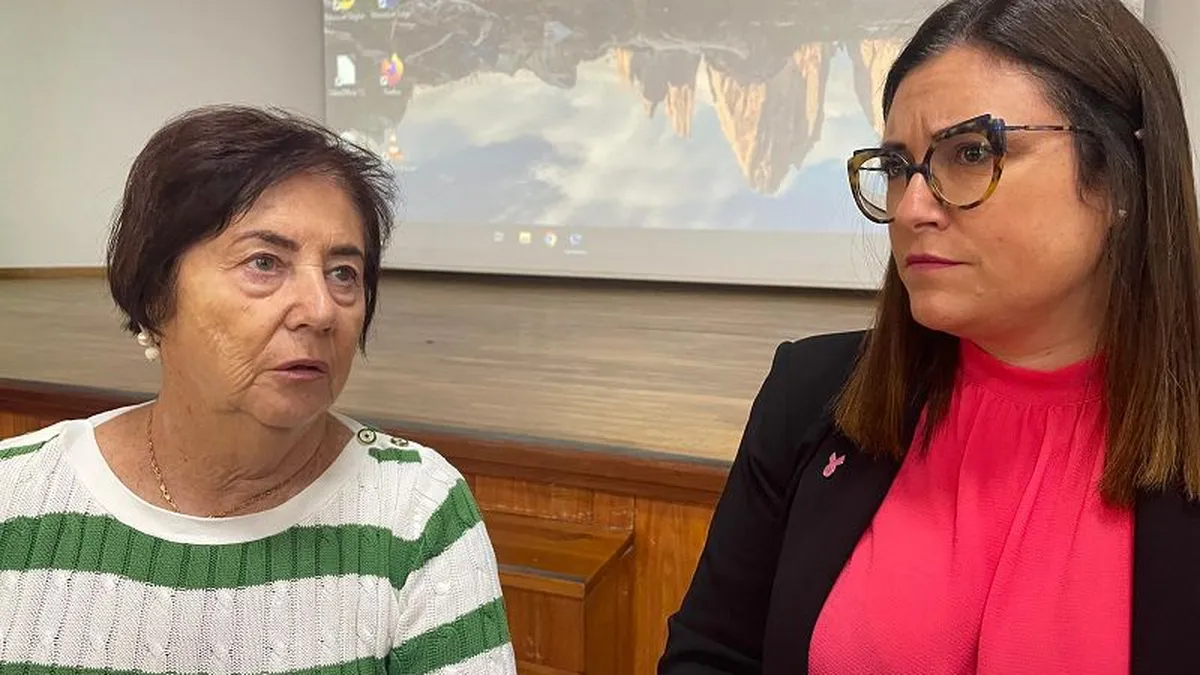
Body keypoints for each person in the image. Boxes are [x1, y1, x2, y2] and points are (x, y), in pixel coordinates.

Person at [659, 0, 1200, 673]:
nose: (912, 208)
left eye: (972, 152)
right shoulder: (812, 397)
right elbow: (710, 655)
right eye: (897, 167)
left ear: (1120, 176)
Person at [0, 105, 518, 674]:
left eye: (343, 273)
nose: (321, 310)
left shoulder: (417, 509)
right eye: (265, 262)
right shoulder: (16, 493)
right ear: (154, 294)